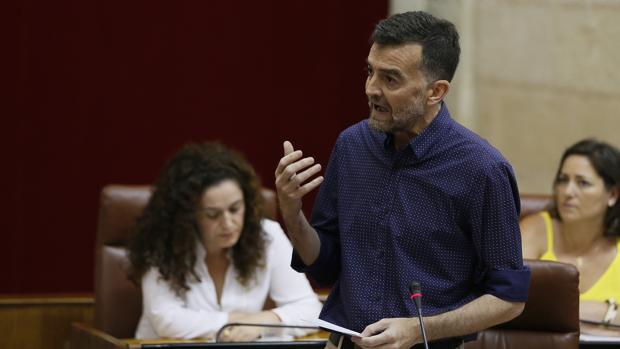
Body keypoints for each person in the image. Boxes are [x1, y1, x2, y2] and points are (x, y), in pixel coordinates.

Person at [274, 11, 530, 349]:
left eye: (390, 79)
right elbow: (323, 266)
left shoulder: (482, 170)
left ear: (435, 91)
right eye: (370, 72)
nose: (371, 90)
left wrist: (419, 330)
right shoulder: (352, 146)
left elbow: (508, 299)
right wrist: (292, 214)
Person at [128, 142, 322, 341]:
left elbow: (310, 309)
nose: (228, 223)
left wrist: (267, 319)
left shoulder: (267, 235)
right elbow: (166, 320)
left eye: (235, 208)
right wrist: (236, 321)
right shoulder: (163, 241)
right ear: (187, 214)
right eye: (212, 215)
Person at [521, 139, 620, 336]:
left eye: (582, 183)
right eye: (562, 180)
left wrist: (560, 313)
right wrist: (606, 315)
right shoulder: (536, 230)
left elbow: (542, 312)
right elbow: (508, 300)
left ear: (612, 194)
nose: (567, 192)